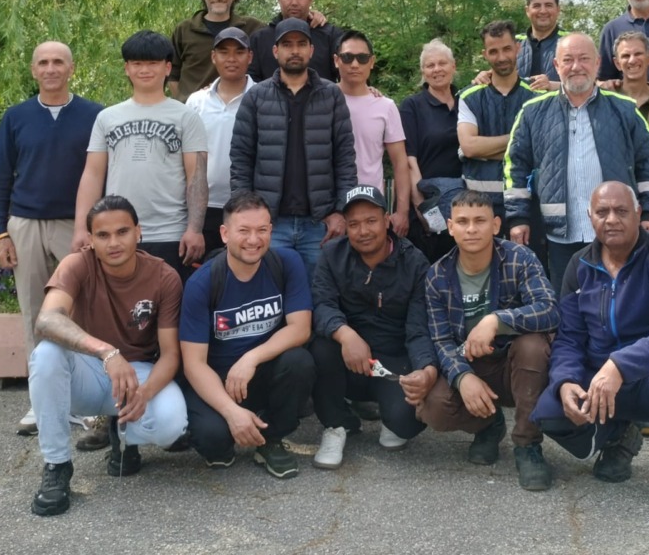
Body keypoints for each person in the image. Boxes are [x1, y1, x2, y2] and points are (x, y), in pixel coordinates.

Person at [533, 182, 649, 517]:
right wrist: (566, 381)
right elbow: (570, 338)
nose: (611, 219)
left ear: (638, 214)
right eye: (602, 212)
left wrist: (620, 366)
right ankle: (620, 437)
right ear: (590, 217)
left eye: (621, 211)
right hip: (602, 379)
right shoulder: (579, 266)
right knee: (550, 412)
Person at [27, 195, 189, 517]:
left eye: (122, 232)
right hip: (88, 367)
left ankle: (124, 436)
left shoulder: (164, 276)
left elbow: (171, 354)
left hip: (138, 371)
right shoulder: (77, 264)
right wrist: (106, 352)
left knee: (172, 425)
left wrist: (144, 393)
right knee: (46, 355)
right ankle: (57, 466)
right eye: (102, 235)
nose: (113, 242)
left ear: (139, 232)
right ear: (90, 240)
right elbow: (46, 321)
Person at [0, 40, 103, 436]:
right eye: (43, 62)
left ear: (72, 68)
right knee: (35, 313)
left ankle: (86, 400)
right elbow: (0, 177)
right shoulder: (16, 117)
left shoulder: (94, 115)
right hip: (26, 224)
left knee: (85, 312)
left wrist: (93, 226)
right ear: (33, 69)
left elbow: (103, 173)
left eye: (58, 62)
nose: (51, 68)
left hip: (78, 227)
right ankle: (42, 403)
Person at [417, 190, 558, 492]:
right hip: (474, 366)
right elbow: (440, 340)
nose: (471, 229)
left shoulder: (520, 258)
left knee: (533, 344)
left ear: (496, 225)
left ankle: (527, 444)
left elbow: (550, 309)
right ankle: (488, 425)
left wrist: (496, 320)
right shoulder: (436, 276)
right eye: (463, 221)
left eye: (480, 221)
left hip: (515, 365)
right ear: (450, 227)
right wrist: (462, 377)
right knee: (433, 406)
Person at [504, 33, 649, 286]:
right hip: (559, 235)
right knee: (569, 310)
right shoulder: (532, 112)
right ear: (556, 66)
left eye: (584, 59)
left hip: (617, 230)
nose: (576, 66)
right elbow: (516, 167)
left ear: (597, 63)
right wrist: (518, 218)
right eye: (567, 60)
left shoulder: (624, 109)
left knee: (623, 304)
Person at [178, 191, 315, 479]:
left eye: (262, 230)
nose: (254, 240)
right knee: (215, 442)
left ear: (271, 231)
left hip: (259, 373)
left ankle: (271, 439)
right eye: (244, 231)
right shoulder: (202, 283)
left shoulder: (287, 263)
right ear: (225, 234)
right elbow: (193, 364)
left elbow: (300, 329)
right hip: (216, 381)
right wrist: (231, 412)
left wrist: (250, 358)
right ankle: (230, 431)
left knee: (299, 361)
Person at [309, 184, 437, 469]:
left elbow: (419, 328)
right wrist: (346, 334)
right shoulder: (332, 255)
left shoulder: (415, 263)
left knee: (406, 423)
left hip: (393, 360)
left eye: (370, 221)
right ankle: (336, 424)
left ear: (387, 220)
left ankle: (390, 416)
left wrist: (425, 370)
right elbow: (322, 305)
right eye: (353, 224)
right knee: (318, 347)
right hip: (347, 357)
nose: (363, 231)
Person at [73, 30, 208, 284]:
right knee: (120, 313)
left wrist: (194, 228)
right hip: (117, 232)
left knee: (167, 312)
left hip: (170, 233)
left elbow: (197, 176)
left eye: (152, 63)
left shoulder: (186, 116)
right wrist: (82, 228)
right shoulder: (107, 117)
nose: (145, 70)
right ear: (126, 68)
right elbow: (92, 174)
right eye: (137, 63)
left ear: (167, 68)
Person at [230, 17, 357, 273]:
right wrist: (247, 214)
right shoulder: (256, 97)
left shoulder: (331, 95)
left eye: (301, 44)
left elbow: (345, 158)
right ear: (275, 51)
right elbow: (241, 159)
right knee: (270, 298)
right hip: (270, 224)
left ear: (312, 50)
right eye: (287, 44)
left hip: (319, 224)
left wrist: (340, 211)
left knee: (318, 297)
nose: (295, 50)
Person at [184, 27, 257, 256]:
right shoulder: (197, 102)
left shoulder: (263, 97)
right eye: (224, 52)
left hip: (250, 206)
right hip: (203, 209)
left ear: (250, 57)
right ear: (213, 57)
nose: (232, 58)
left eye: (239, 52)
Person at [458, 21, 541, 223]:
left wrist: (484, 148)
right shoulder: (469, 96)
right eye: (494, 51)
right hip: (478, 205)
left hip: (527, 204)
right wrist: (521, 141)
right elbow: (469, 147)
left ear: (518, 48)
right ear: (485, 54)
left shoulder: (538, 96)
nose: (502, 57)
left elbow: (541, 149)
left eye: (507, 49)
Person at [335, 30, 410, 238]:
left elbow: (400, 163)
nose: (355, 64)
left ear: (372, 62)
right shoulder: (322, 100)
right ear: (336, 60)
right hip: (331, 210)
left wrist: (401, 212)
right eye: (348, 57)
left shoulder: (385, 106)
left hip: (371, 207)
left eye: (362, 58)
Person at [398, 39, 462, 262]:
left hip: (464, 204)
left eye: (442, 63)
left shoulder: (467, 101)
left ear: (453, 66)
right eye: (430, 65)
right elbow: (408, 160)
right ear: (423, 72)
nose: (437, 70)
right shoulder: (412, 106)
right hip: (430, 204)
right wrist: (421, 209)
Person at [170, 0, 263, 99]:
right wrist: (184, 101)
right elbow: (171, 73)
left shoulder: (253, 28)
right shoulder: (184, 30)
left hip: (240, 113)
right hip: (192, 115)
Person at [248, 0, 342, 82]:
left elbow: (345, 75)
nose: (294, 3)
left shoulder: (330, 36)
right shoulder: (260, 39)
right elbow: (251, 81)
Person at [611, 30, 649, 114]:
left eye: (638, 54)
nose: (632, 60)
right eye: (626, 56)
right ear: (617, 64)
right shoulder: (606, 100)